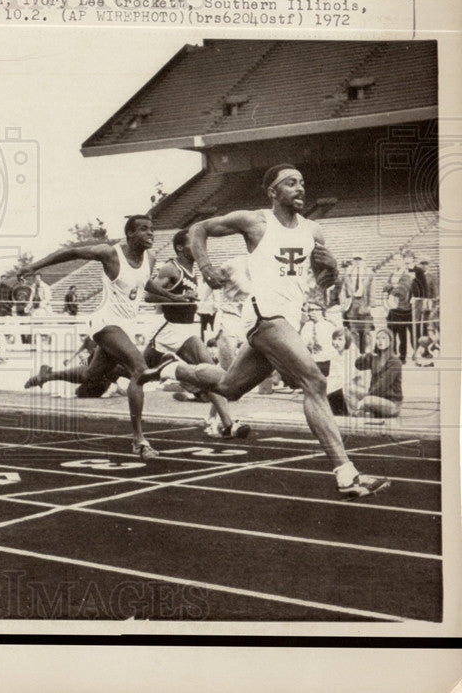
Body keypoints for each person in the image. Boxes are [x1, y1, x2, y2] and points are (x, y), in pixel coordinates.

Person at [139, 164, 390, 498]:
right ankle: (346, 473)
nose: (300, 188)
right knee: (314, 381)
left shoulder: (314, 231)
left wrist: (331, 275)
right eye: (290, 183)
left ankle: (169, 368)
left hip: (289, 318)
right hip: (263, 314)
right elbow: (198, 228)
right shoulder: (255, 221)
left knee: (230, 387)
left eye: (302, 182)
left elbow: (319, 278)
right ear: (272, 192)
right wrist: (207, 266)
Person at [18, 215, 161, 459]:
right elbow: (72, 251)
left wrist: (173, 297)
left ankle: (48, 375)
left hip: (125, 327)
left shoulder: (151, 258)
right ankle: (139, 440)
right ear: (130, 234)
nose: (151, 234)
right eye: (144, 229)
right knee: (140, 369)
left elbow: (146, 284)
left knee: (90, 375)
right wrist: (35, 267)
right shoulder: (110, 253)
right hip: (104, 323)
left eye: (152, 229)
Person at [146, 229, 249, 439]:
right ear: (180, 248)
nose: (200, 248)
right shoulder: (170, 268)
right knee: (135, 371)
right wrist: (177, 298)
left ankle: (227, 424)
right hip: (166, 329)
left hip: (185, 330)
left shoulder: (193, 270)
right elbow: (148, 295)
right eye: (195, 244)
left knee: (210, 372)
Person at [24, 335, 130, 399]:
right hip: (93, 375)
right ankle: (44, 376)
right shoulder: (108, 356)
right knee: (82, 382)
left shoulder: (102, 349)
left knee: (78, 389)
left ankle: (44, 376)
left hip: (93, 376)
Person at [353, 328, 403, 419]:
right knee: (350, 389)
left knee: (368, 400)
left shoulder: (395, 362)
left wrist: (365, 399)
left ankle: (361, 411)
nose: (380, 341)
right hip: (376, 397)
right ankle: (359, 412)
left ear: (390, 341)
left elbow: (383, 384)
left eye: (384, 338)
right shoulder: (374, 357)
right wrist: (368, 354)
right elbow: (358, 365)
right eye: (378, 338)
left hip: (391, 403)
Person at [382, 253, 413, 362]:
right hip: (391, 308)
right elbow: (384, 287)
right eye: (395, 260)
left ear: (403, 261)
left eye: (399, 259)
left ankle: (402, 356)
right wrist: (392, 287)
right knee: (391, 333)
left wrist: (392, 288)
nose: (397, 262)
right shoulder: (392, 274)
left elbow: (402, 290)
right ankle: (392, 354)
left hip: (402, 308)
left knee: (402, 334)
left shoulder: (406, 274)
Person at [340, 253, 374, 353]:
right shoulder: (348, 273)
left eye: (360, 260)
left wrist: (371, 305)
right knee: (353, 330)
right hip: (352, 303)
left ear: (364, 261)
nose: (358, 262)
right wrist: (343, 303)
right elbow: (344, 289)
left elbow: (372, 289)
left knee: (366, 330)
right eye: (356, 260)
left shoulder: (369, 273)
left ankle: (366, 351)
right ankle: (359, 351)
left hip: (364, 303)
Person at [300, 300, 337, 378]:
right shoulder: (307, 325)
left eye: (315, 310)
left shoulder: (329, 326)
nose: (311, 313)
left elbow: (333, 348)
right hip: (310, 362)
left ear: (322, 311)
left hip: (325, 362)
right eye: (310, 310)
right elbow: (302, 343)